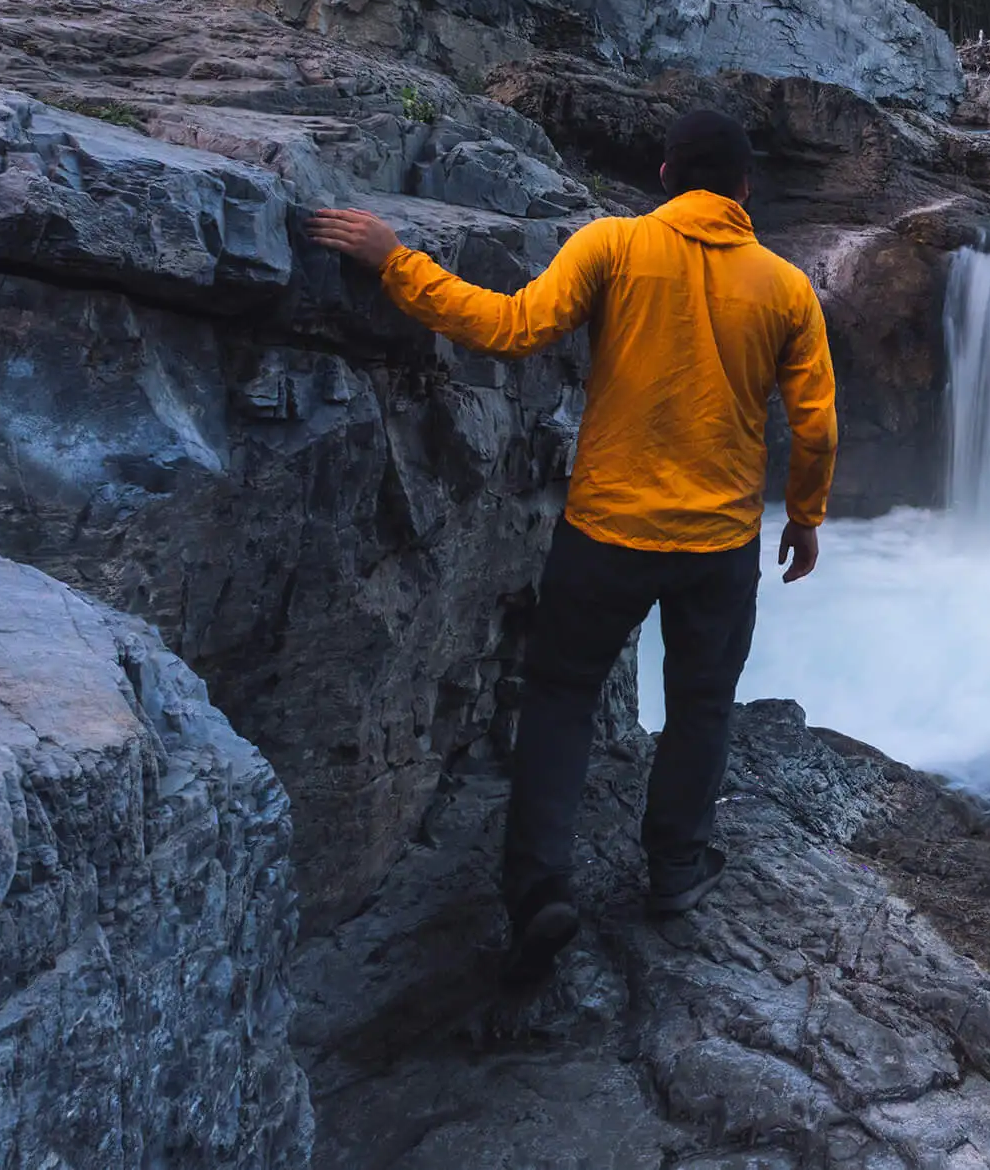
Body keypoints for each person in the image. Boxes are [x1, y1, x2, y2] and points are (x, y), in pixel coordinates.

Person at [306, 109, 836, 982]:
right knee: (700, 705)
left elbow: (510, 329)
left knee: (561, 698)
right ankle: (674, 871)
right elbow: (815, 427)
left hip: (606, 531)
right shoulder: (783, 288)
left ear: (665, 173)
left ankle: (541, 892)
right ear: (746, 191)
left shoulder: (613, 246)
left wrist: (396, 261)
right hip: (719, 545)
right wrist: (807, 517)